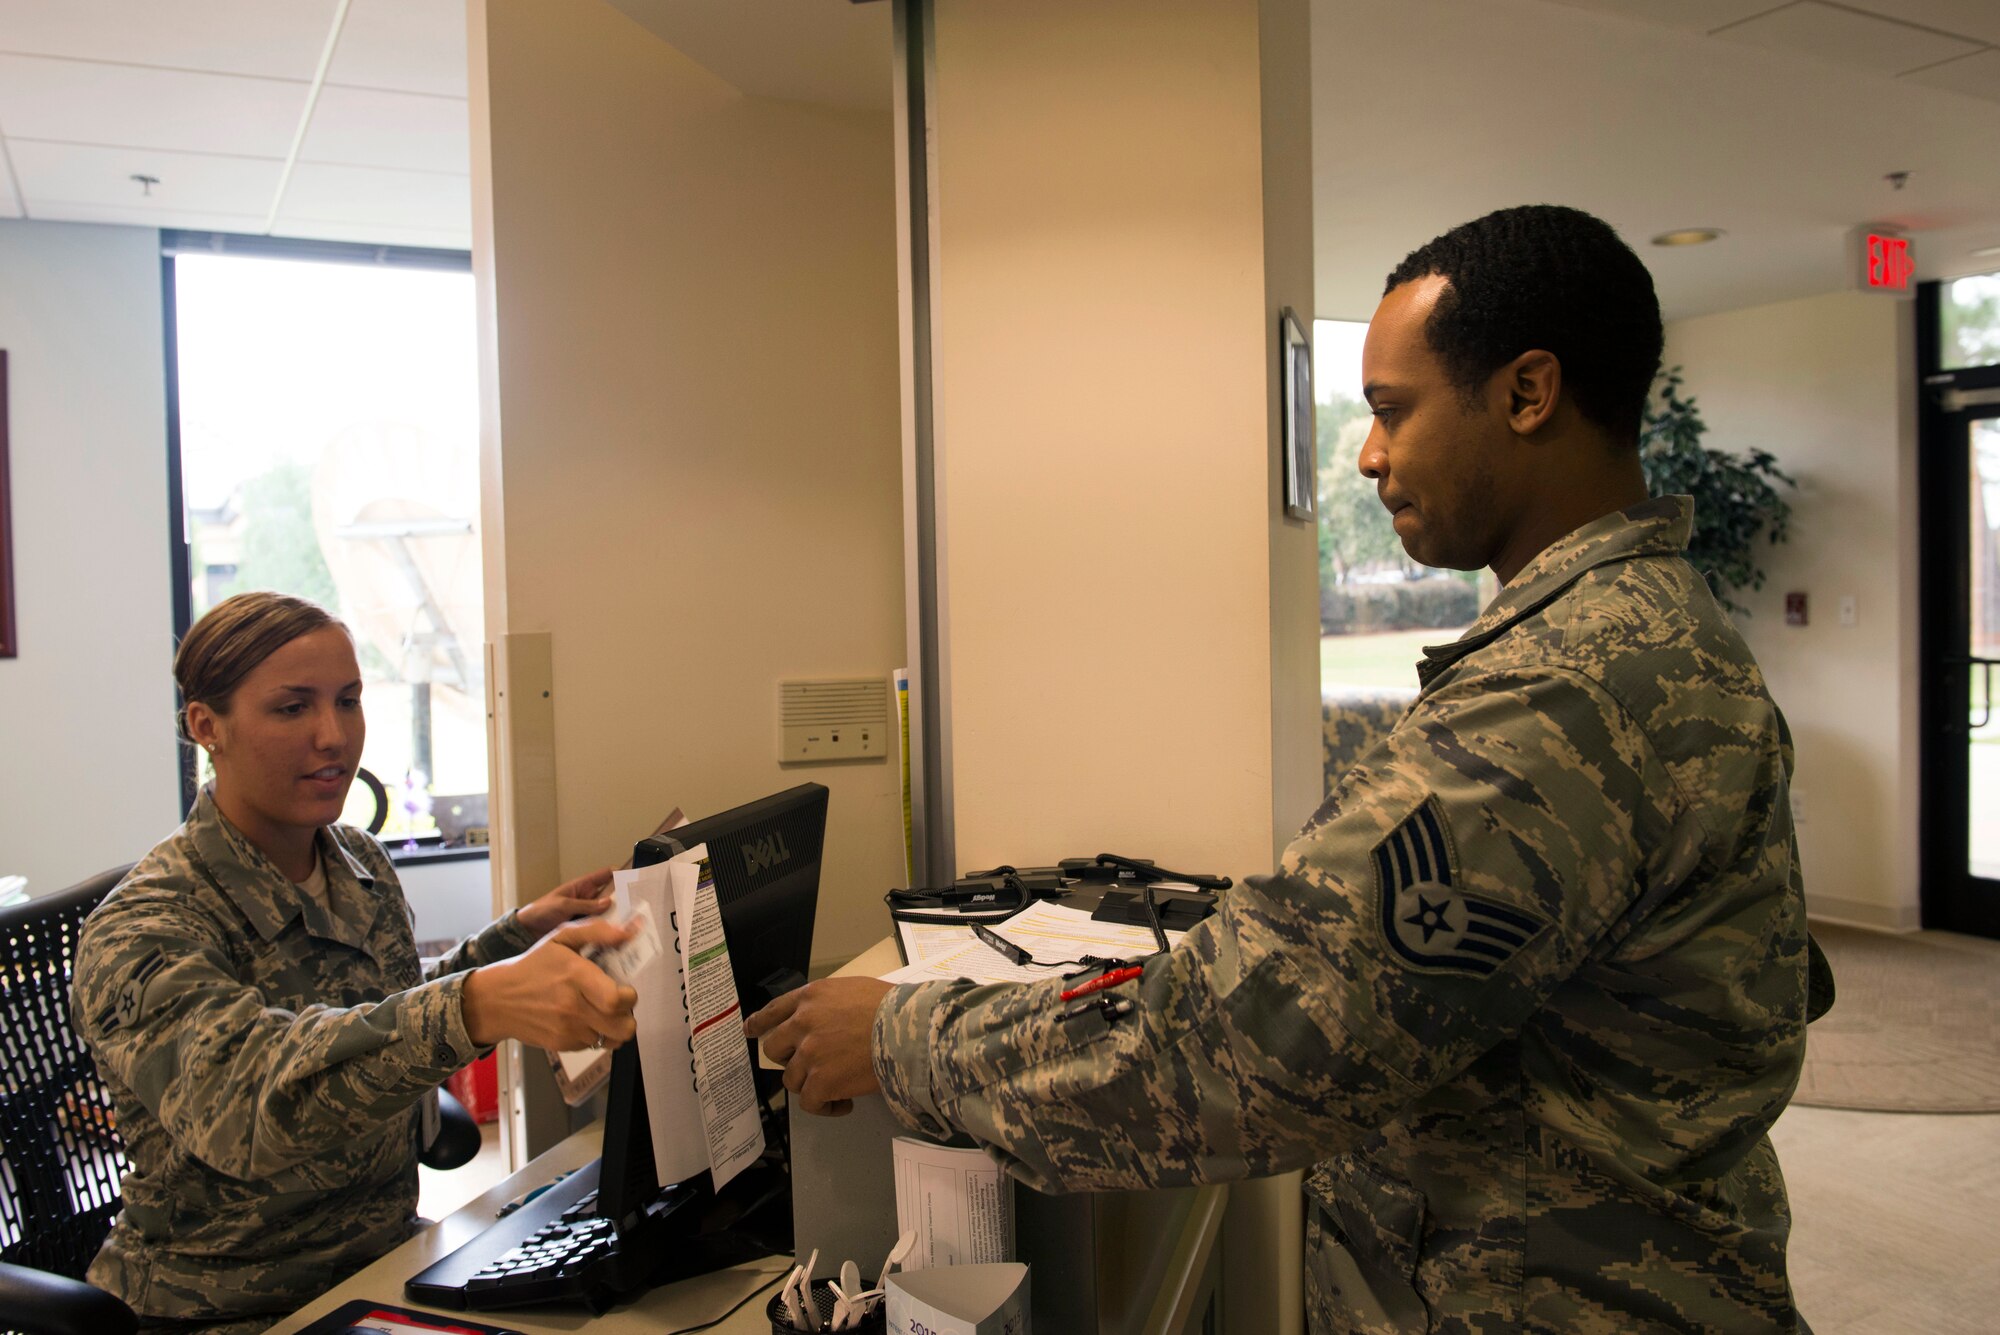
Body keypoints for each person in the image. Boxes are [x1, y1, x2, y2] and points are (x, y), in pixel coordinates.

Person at [747, 205, 1813, 1332]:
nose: (1367, 455)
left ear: (1526, 393)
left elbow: (1244, 1048)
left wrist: (900, 1037)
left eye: (1393, 411)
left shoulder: (1566, 692)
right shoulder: (1635, 633)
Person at [73, 591, 640, 1334]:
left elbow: (376, 1015)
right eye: (292, 708)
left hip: (382, 1265)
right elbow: (249, 1105)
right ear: (207, 726)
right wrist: (476, 1004)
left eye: (348, 701)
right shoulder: (143, 926)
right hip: (228, 1306)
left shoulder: (357, 862)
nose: (333, 736)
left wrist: (513, 942)